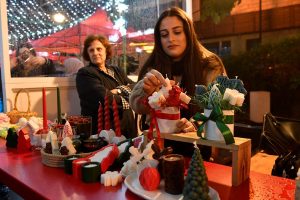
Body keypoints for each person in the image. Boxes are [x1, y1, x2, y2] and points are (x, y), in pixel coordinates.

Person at [129, 7, 226, 158]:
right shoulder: (153, 67)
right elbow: (136, 105)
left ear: (188, 33)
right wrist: (145, 91)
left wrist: (195, 124)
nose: (171, 39)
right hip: (157, 150)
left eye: (177, 32)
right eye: (164, 34)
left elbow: (220, 109)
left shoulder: (209, 65)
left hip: (198, 151)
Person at [76, 34, 137, 139]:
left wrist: (118, 90)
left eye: (99, 49)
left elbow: (136, 87)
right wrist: (131, 99)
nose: (95, 53)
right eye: (91, 50)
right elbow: (105, 98)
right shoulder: (85, 73)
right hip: (104, 132)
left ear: (106, 50)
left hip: (127, 128)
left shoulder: (116, 70)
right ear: (87, 54)